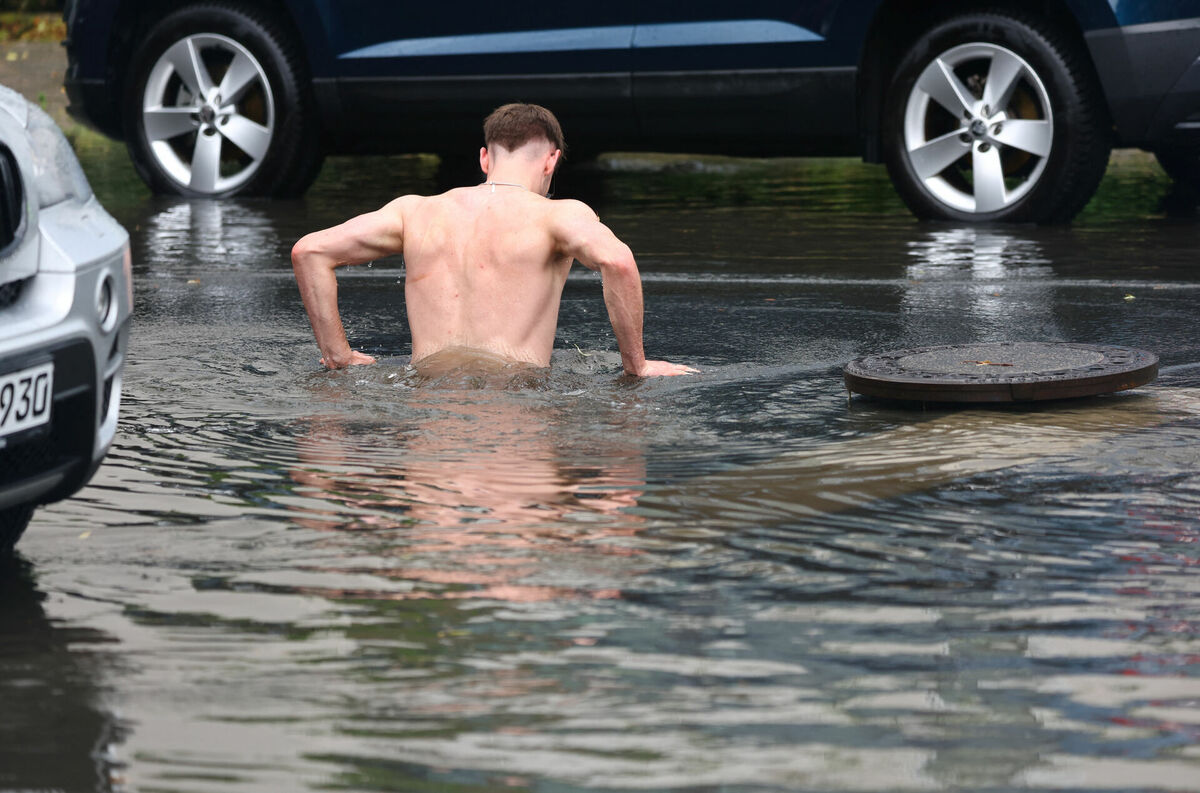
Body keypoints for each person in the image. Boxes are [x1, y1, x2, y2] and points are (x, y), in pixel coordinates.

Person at [292, 103, 695, 377]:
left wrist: (338, 355)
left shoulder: (414, 211)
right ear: (552, 160)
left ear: (485, 158)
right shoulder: (559, 214)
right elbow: (619, 262)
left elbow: (309, 251)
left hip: (425, 400)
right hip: (517, 401)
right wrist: (636, 365)